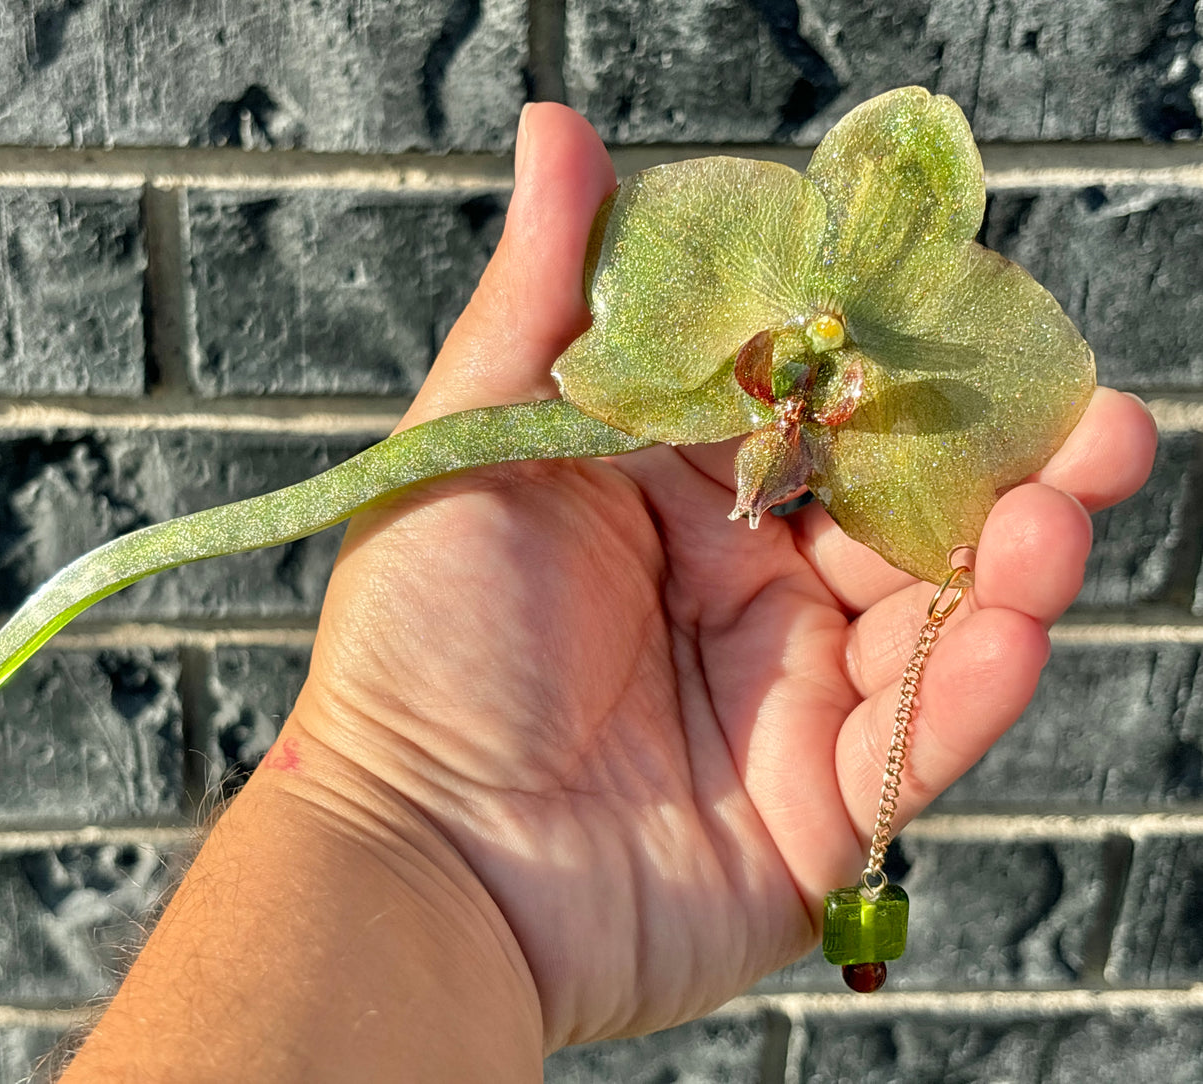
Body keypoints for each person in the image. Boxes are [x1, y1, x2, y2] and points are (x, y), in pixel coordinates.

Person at [58, 104, 1157, 1081]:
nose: (810, 366)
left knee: (996, 535)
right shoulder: (714, 273)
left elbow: (952, 498)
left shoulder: (917, 378)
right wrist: (402, 810)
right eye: (801, 356)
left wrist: (406, 836)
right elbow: (640, 302)